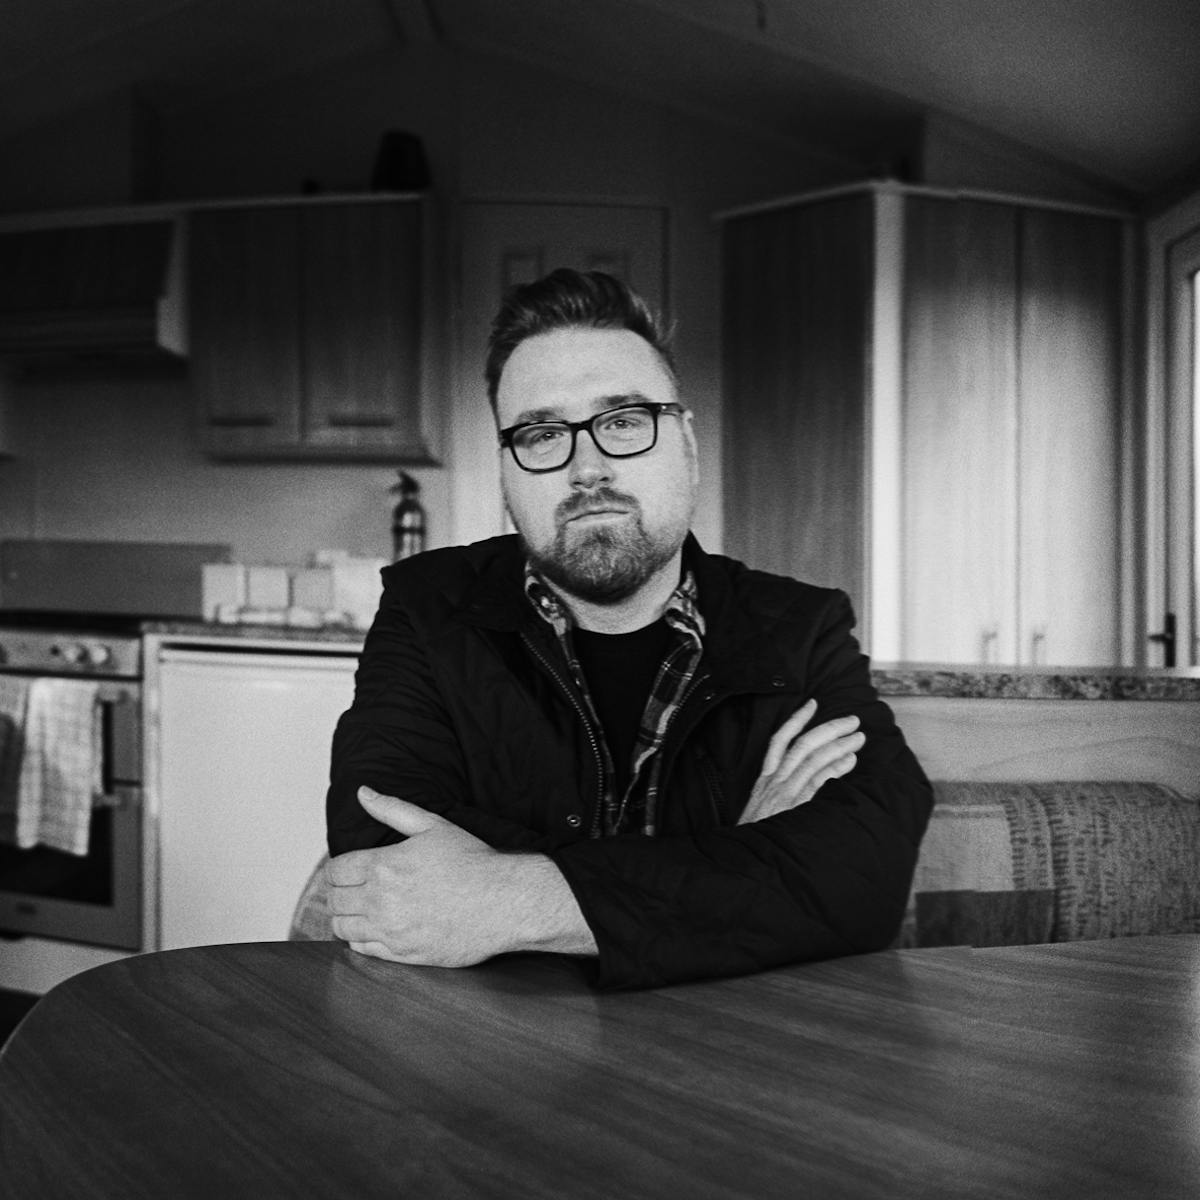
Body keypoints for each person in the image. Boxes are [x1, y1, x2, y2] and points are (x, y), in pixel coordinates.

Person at [324, 268, 932, 990]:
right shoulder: (427, 608)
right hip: (498, 1059)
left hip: (737, 1056)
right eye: (543, 433)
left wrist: (509, 899)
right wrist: (735, 856)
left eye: (622, 422)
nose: (588, 468)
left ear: (687, 446)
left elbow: (861, 880)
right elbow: (384, 861)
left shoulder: (800, 628)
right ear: (507, 472)